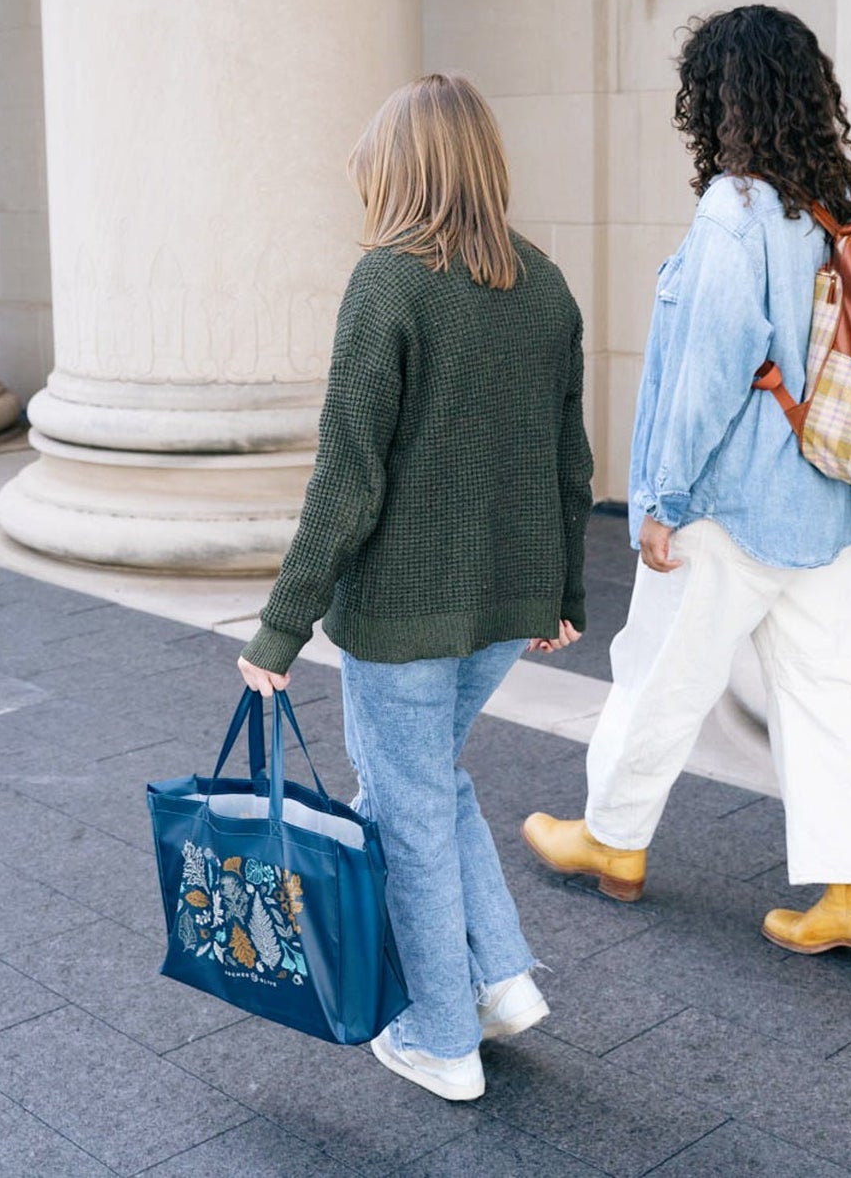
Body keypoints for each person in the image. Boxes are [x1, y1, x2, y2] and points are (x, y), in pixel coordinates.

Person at [524, 5, 851, 970]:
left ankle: (612, 836)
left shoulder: (736, 213)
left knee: (659, 670)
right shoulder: (838, 209)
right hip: (828, 503)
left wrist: (659, 498)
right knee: (830, 692)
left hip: (732, 503)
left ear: (720, 100)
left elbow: (704, 374)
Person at [237, 72, 594, 1099]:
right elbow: (567, 459)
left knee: (405, 805)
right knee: (426, 783)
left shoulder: (387, 282)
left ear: (396, 172)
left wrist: (277, 631)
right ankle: (498, 980)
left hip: (401, 611)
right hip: (502, 603)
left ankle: (440, 1036)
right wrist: (560, 588)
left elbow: (347, 479)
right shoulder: (546, 285)